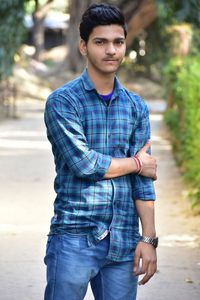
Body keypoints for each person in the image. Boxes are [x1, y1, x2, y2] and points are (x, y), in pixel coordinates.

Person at [44, 3, 158, 300]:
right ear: (83, 46)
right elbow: (84, 164)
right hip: (74, 237)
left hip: (123, 241)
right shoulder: (62, 102)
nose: (111, 50)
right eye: (100, 42)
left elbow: (144, 183)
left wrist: (149, 238)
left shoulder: (136, 106)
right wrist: (136, 163)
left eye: (118, 42)